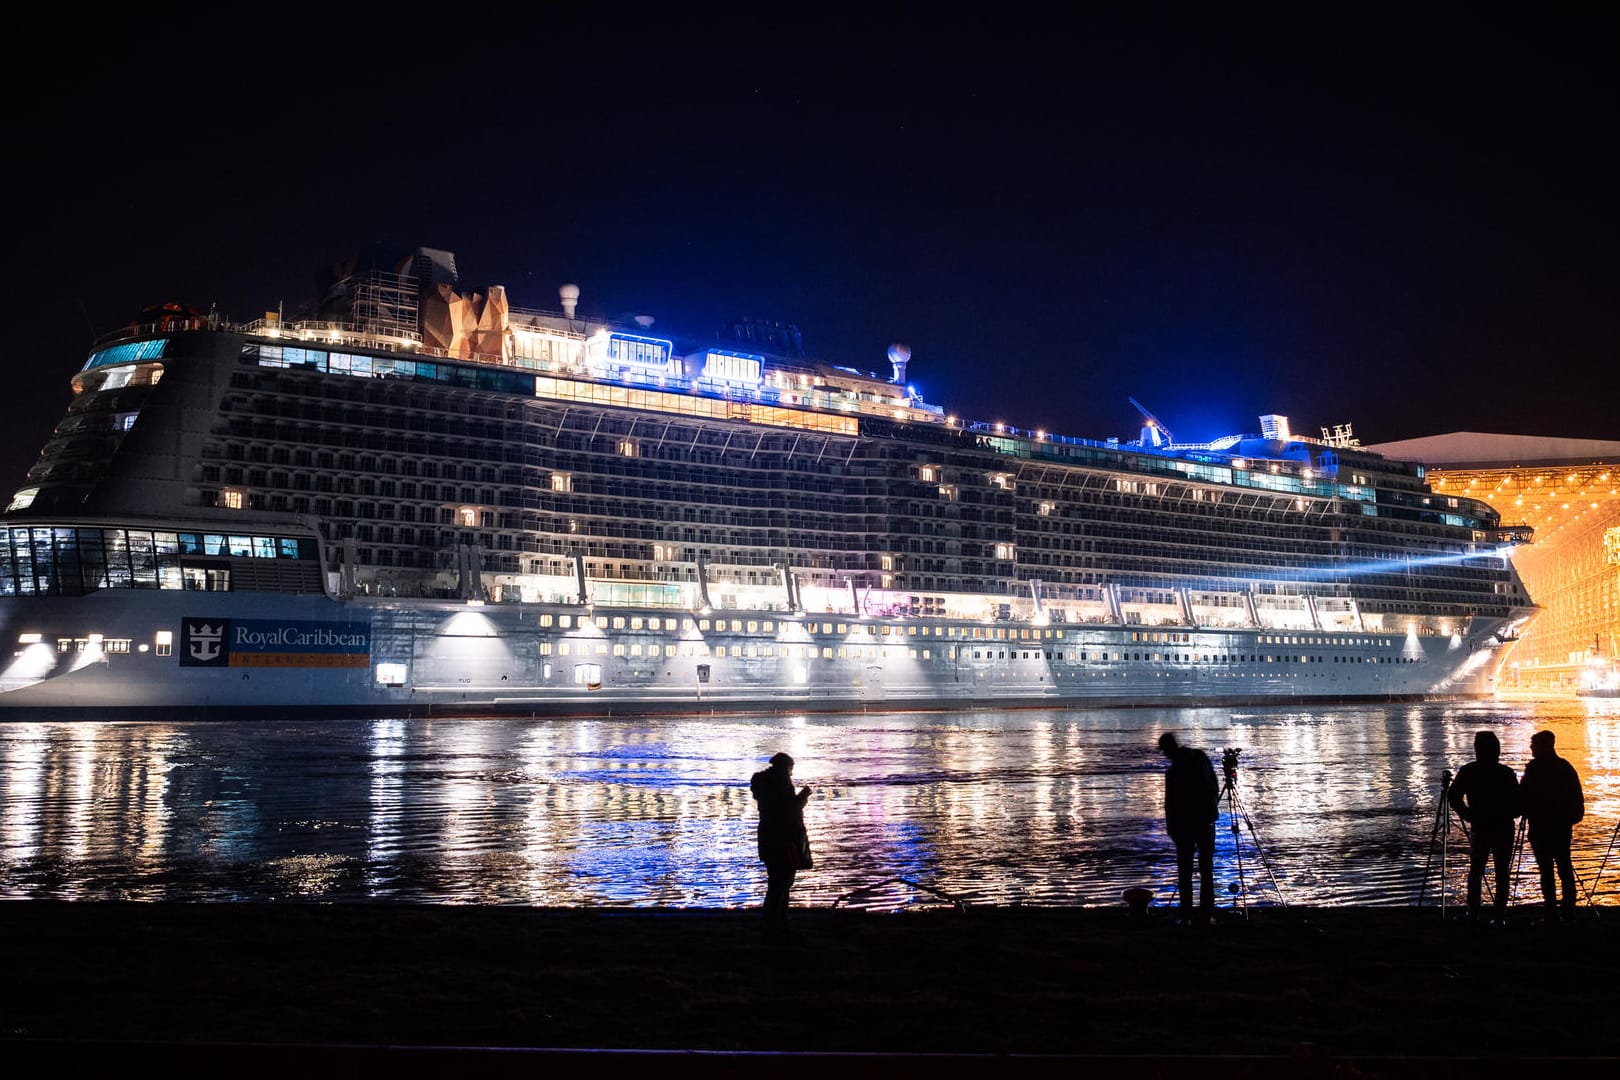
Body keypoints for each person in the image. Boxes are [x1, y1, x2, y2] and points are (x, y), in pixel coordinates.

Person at [1446, 730, 1521, 924]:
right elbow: (1517, 805)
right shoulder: (1506, 773)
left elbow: (1453, 796)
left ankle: (1473, 913)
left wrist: (1467, 814)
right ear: (1497, 750)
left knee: (1476, 872)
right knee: (1502, 873)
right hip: (1503, 828)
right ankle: (1499, 916)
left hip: (1481, 827)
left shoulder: (1469, 771)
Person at [1518, 729, 1585, 923]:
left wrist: (1523, 810)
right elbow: (1577, 798)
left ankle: (1551, 912)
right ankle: (1568, 910)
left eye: (1533, 744)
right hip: (1561, 827)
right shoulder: (1565, 767)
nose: (1530, 747)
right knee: (1564, 867)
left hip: (1540, 827)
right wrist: (1571, 818)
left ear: (1543, 746)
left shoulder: (1534, 768)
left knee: (1547, 870)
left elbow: (1524, 794)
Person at [751, 751, 813, 941]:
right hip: (785, 840)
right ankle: (777, 927)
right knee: (782, 884)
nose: (791, 774)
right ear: (786, 768)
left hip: (769, 838)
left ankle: (775, 926)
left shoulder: (763, 783)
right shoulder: (782, 783)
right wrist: (804, 795)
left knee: (777, 883)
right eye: (790, 769)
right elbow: (789, 810)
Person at [1158, 732, 1220, 924]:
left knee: (1185, 872)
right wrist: (1212, 811)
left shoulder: (1173, 773)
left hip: (1184, 827)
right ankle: (1206, 913)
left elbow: (1170, 805)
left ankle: (1186, 913)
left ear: (1167, 751)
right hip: (1204, 822)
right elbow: (1214, 785)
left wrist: (1172, 829)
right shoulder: (1199, 757)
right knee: (1206, 870)